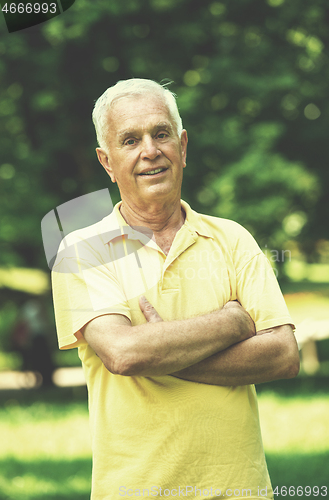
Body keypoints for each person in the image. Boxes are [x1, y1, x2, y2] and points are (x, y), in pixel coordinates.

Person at [51, 79, 300, 500]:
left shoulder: (233, 239)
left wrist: (165, 353)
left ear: (182, 146)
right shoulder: (80, 251)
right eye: (130, 140)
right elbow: (125, 353)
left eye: (161, 133)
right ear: (107, 162)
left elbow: (282, 355)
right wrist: (232, 321)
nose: (150, 150)